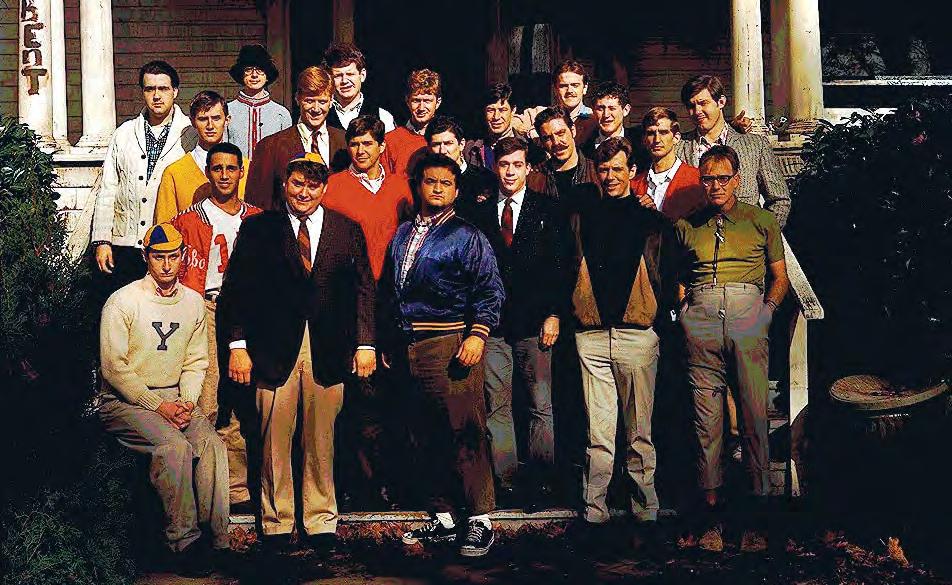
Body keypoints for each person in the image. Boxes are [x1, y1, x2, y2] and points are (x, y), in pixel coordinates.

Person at [217, 158, 375, 552]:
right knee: (274, 437)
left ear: (324, 189)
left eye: (313, 186)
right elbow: (237, 290)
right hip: (272, 350)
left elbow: (363, 290)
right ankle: (277, 521)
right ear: (285, 184)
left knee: (322, 439)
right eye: (297, 184)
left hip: (329, 349)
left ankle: (320, 520)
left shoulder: (346, 228)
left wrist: (365, 344)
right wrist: (238, 346)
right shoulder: (259, 228)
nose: (304, 193)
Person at [378, 152, 503, 557]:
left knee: (463, 430)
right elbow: (389, 291)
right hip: (408, 344)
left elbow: (489, 290)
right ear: (418, 186)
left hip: (450, 342)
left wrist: (477, 335)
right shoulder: (403, 233)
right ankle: (444, 516)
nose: (437, 188)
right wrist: (390, 341)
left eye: (445, 183)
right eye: (430, 181)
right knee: (424, 432)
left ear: (456, 190)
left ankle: (480, 519)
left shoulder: (467, 235)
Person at [674, 145, 789, 552]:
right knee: (706, 420)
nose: (716, 186)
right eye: (708, 178)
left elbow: (779, 276)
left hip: (747, 316)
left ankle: (757, 518)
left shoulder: (760, 220)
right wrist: (685, 310)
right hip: (701, 320)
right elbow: (679, 276)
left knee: (754, 413)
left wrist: (766, 312)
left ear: (738, 179)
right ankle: (712, 518)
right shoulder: (688, 225)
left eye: (723, 178)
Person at [97, 222, 228, 577]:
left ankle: (217, 541)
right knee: (174, 446)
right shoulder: (123, 301)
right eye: (159, 257)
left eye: (173, 256)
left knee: (211, 444)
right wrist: (158, 406)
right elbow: (114, 368)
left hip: (176, 398)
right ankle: (184, 542)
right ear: (146, 257)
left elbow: (196, 361)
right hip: (126, 400)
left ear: (183, 256)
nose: (167, 265)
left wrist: (187, 401)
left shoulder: (193, 303)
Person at [571, 137, 677, 535]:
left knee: (639, 432)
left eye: (618, 168)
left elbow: (670, 272)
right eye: (604, 169)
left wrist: (658, 317)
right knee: (598, 433)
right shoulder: (581, 216)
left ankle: (645, 510)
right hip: (592, 335)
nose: (611, 176)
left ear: (632, 171)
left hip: (638, 334)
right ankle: (594, 511)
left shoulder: (652, 221)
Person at [467, 137, 571, 509]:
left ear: (528, 168)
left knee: (540, 403)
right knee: (497, 405)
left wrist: (554, 313)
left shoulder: (548, 208)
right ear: (495, 167)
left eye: (516, 165)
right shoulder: (480, 212)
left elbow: (561, 266)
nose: (510, 172)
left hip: (536, 322)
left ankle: (541, 482)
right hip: (495, 325)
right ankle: (507, 481)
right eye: (504, 164)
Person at [322, 115, 413, 509]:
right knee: (356, 397)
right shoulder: (335, 187)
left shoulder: (400, 188)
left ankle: (393, 481)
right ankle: (358, 484)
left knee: (392, 395)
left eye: (367, 144)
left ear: (381, 147)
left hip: (392, 302)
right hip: (350, 303)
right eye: (355, 144)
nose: (360, 151)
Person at [170, 141, 262, 513]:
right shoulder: (189, 219)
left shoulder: (257, 218)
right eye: (217, 168)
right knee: (206, 399)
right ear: (208, 172)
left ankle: (237, 490)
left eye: (231, 168)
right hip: (206, 306)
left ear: (241, 172)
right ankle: (202, 488)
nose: (224, 175)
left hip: (249, 312)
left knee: (244, 400)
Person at [91, 60, 193, 291]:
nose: (156, 96)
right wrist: (102, 241)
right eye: (150, 89)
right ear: (142, 92)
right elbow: (108, 188)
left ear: (175, 91)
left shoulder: (190, 134)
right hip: (124, 244)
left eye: (163, 88)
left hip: (167, 247)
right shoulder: (124, 133)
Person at [676, 75, 790, 228]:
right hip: (697, 239)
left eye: (703, 103)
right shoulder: (678, 148)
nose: (697, 111)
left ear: (721, 102)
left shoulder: (755, 145)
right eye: (691, 106)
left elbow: (780, 200)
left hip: (747, 238)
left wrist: (762, 235)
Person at [245, 66, 349, 210]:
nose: (316, 109)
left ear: (331, 101)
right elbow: (257, 205)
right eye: (309, 101)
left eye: (322, 102)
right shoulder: (270, 146)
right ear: (297, 99)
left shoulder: (345, 142)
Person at [155, 91, 249, 224]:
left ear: (227, 120)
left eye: (216, 118)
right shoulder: (174, 173)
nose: (210, 126)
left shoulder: (247, 169)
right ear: (193, 122)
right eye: (203, 119)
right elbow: (165, 228)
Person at [630, 107, 706, 221]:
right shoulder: (634, 185)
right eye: (651, 133)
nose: (657, 139)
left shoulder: (697, 180)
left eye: (663, 132)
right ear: (644, 139)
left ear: (676, 138)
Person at [225, 44, 292, 161]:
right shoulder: (227, 110)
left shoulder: (281, 114)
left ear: (267, 76)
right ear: (241, 75)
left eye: (260, 70)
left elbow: (286, 153)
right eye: (248, 70)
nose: (254, 75)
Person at [513, 60, 597, 146]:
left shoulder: (595, 118)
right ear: (555, 89)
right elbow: (510, 121)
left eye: (575, 85)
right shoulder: (540, 113)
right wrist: (532, 132)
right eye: (563, 86)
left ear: (585, 88)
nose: (569, 91)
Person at [425, 115, 497, 213]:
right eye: (436, 144)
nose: (443, 150)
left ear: (462, 144)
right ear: (429, 148)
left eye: (448, 143)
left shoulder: (486, 179)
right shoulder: (424, 182)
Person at [527, 106, 598, 206]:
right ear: (542, 142)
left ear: (573, 130)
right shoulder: (535, 178)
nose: (556, 142)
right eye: (547, 138)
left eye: (560, 133)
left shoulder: (596, 172)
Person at [462, 83, 542, 169]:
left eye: (502, 110)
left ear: (513, 110)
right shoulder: (471, 149)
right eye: (491, 110)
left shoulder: (530, 150)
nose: (496, 117)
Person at [322, 42, 396, 133]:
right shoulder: (320, 114)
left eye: (350, 74)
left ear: (362, 75)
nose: (344, 81)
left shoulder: (383, 117)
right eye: (338, 76)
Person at [580, 82, 650, 175]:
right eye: (600, 108)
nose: (606, 115)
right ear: (593, 110)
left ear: (625, 110)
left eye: (612, 108)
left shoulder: (641, 144)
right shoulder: (584, 149)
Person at [382, 69, 442, 177]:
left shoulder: (446, 140)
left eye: (427, 101)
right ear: (407, 101)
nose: (421, 108)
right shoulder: (391, 140)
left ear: (437, 103)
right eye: (416, 100)